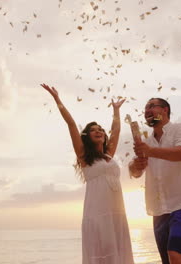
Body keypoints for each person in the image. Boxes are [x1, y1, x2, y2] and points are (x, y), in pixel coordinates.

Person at [41, 83, 134, 264]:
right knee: (102, 250)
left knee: (118, 251)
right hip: (97, 213)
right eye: (93, 130)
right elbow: (71, 124)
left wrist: (116, 110)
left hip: (116, 212)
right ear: (88, 136)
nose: (98, 131)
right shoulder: (84, 156)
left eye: (100, 129)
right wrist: (57, 98)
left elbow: (116, 130)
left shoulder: (109, 154)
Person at [129, 98, 181, 264]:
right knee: (167, 261)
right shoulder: (146, 142)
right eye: (145, 108)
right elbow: (135, 172)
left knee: (175, 254)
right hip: (159, 211)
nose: (147, 111)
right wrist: (136, 165)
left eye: (152, 106)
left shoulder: (180, 129)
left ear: (165, 110)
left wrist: (151, 152)